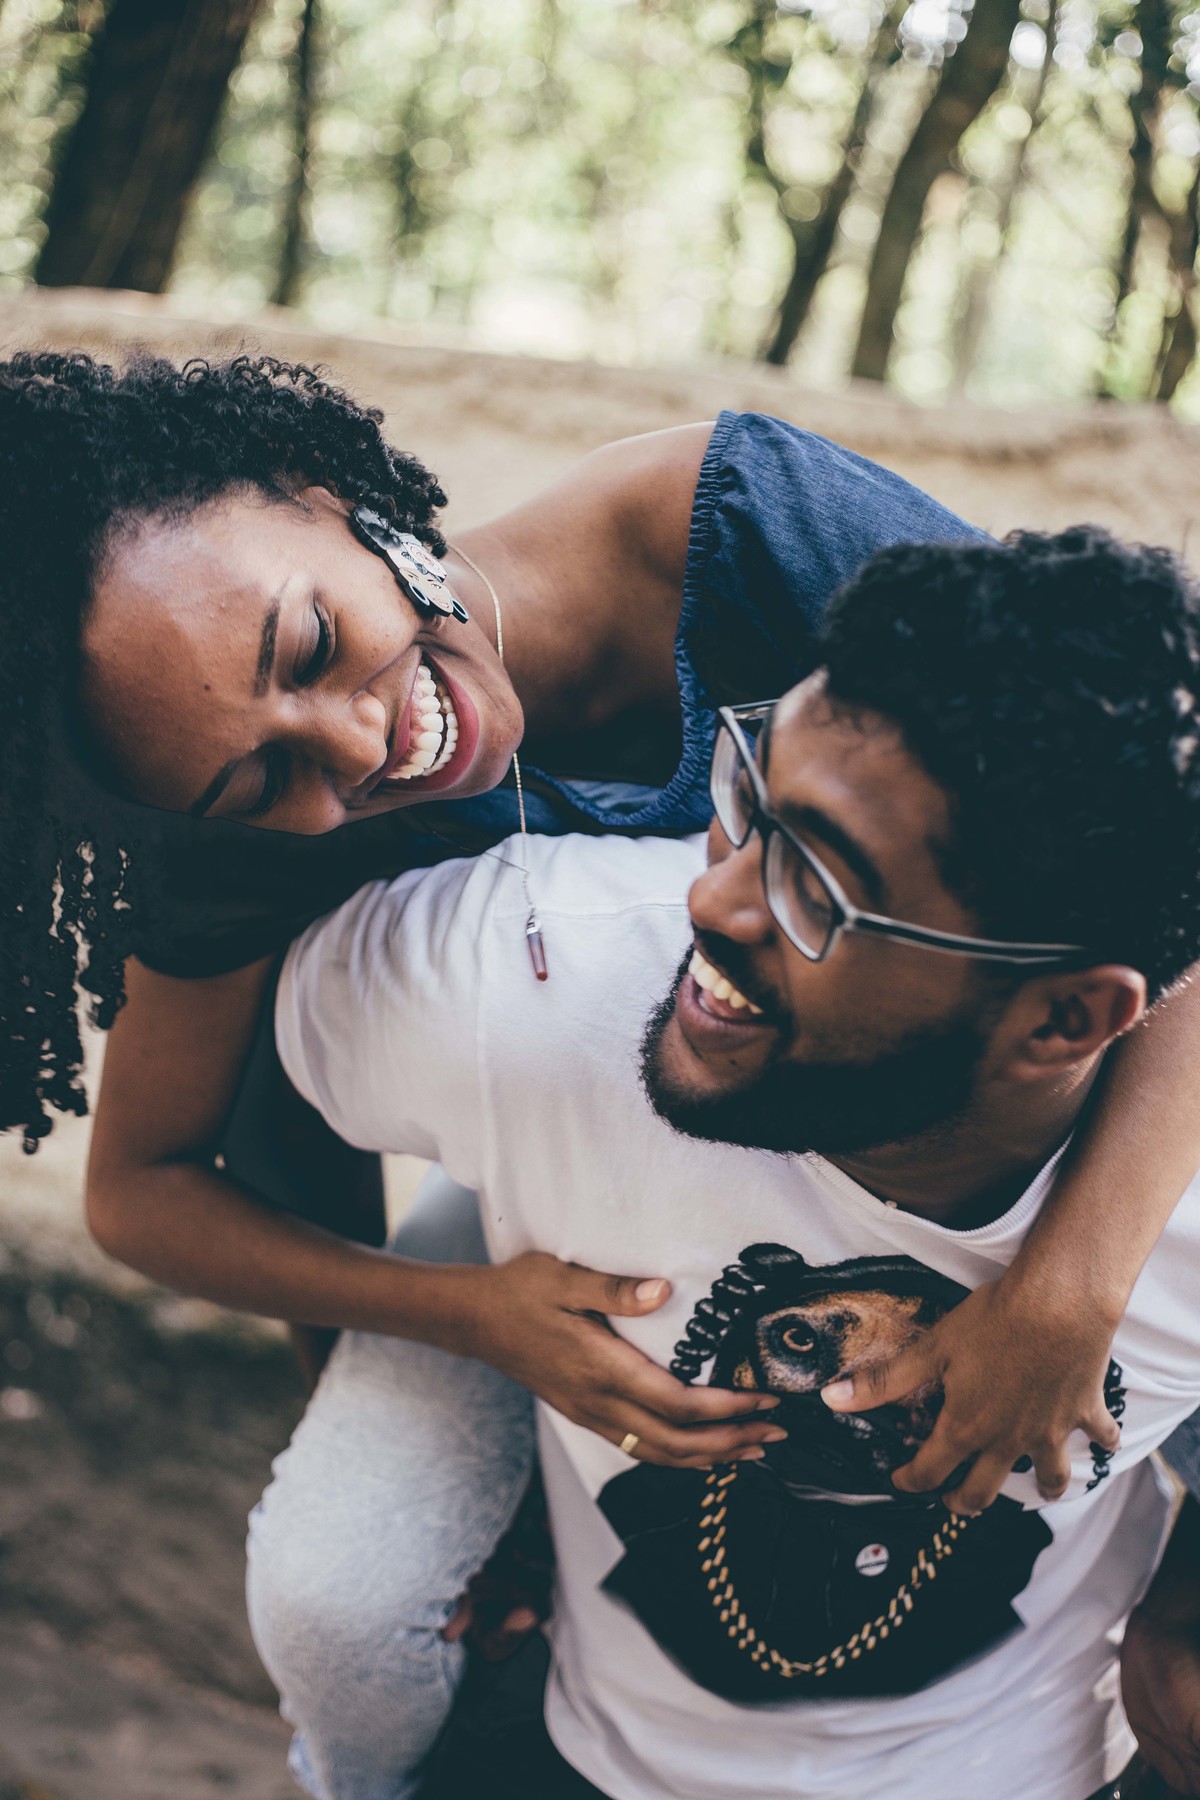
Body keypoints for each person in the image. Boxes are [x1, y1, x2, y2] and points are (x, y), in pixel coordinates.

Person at [3, 353, 1200, 1778]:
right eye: (261, 781)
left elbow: (1148, 840)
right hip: (535, 1151)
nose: (357, 754)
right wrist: (473, 1318)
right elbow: (147, 1185)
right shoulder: (288, 863)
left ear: (322, 501)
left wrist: (1069, 1287)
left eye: (315, 644)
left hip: (895, 1131)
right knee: (345, 1588)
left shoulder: (757, 525)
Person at [266, 525, 1200, 1800]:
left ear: (1065, 1023)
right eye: (749, 800)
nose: (716, 901)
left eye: (822, 889)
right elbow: (245, 1040)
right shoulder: (537, 982)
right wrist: (440, 1355)